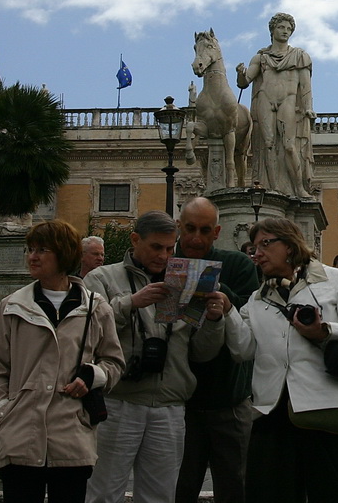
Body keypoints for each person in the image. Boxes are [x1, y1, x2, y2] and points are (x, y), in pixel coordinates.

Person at [83, 211, 230, 503]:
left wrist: (214, 321)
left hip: (169, 405)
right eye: (156, 247)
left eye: (169, 248)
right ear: (135, 240)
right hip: (118, 401)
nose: (163, 256)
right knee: (102, 493)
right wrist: (129, 304)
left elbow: (202, 352)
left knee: (160, 496)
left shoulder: (188, 280)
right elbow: (85, 333)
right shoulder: (102, 278)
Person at [228, 217, 338, 503]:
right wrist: (224, 314)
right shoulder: (257, 300)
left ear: (290, 245)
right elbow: (242, 350)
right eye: (254, 247)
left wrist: (325, 331)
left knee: (335, 494)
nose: (256, 253)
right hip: (272, 413)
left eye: (265, 244)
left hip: (325, 409)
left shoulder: (334, 279)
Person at [0, 221, 124, 503]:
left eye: (42, 250)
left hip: (72, 434)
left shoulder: (95, 308)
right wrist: (1, 412)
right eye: (30, 249)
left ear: (64, 254)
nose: (33, 256)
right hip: (20, 434)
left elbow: (114, 362)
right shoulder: (12, 307)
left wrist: (92, 376)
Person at [173, 198, 260, 503]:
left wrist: (223, 294)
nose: (196, 238)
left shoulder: (238, 265)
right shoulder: (164, 266)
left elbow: (253, 314)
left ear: (216, 232)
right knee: (178, 487)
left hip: (229, 399)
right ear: (178, 227)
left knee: (235, 485)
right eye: (190, 229)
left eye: (205, 230)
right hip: (179, 403)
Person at [235, 12, 314, 199]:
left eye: (289, 28)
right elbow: (245, 82)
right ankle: (272, 188)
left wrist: (308, 107)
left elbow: (305, 86)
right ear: (272, 30)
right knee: (267, 145)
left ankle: (298, 188)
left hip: (288, 100)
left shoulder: (300, 56)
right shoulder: (261, 57)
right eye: (281, 27)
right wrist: (240, 73)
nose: (285, 31)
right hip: (265, 98)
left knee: (288, 146)